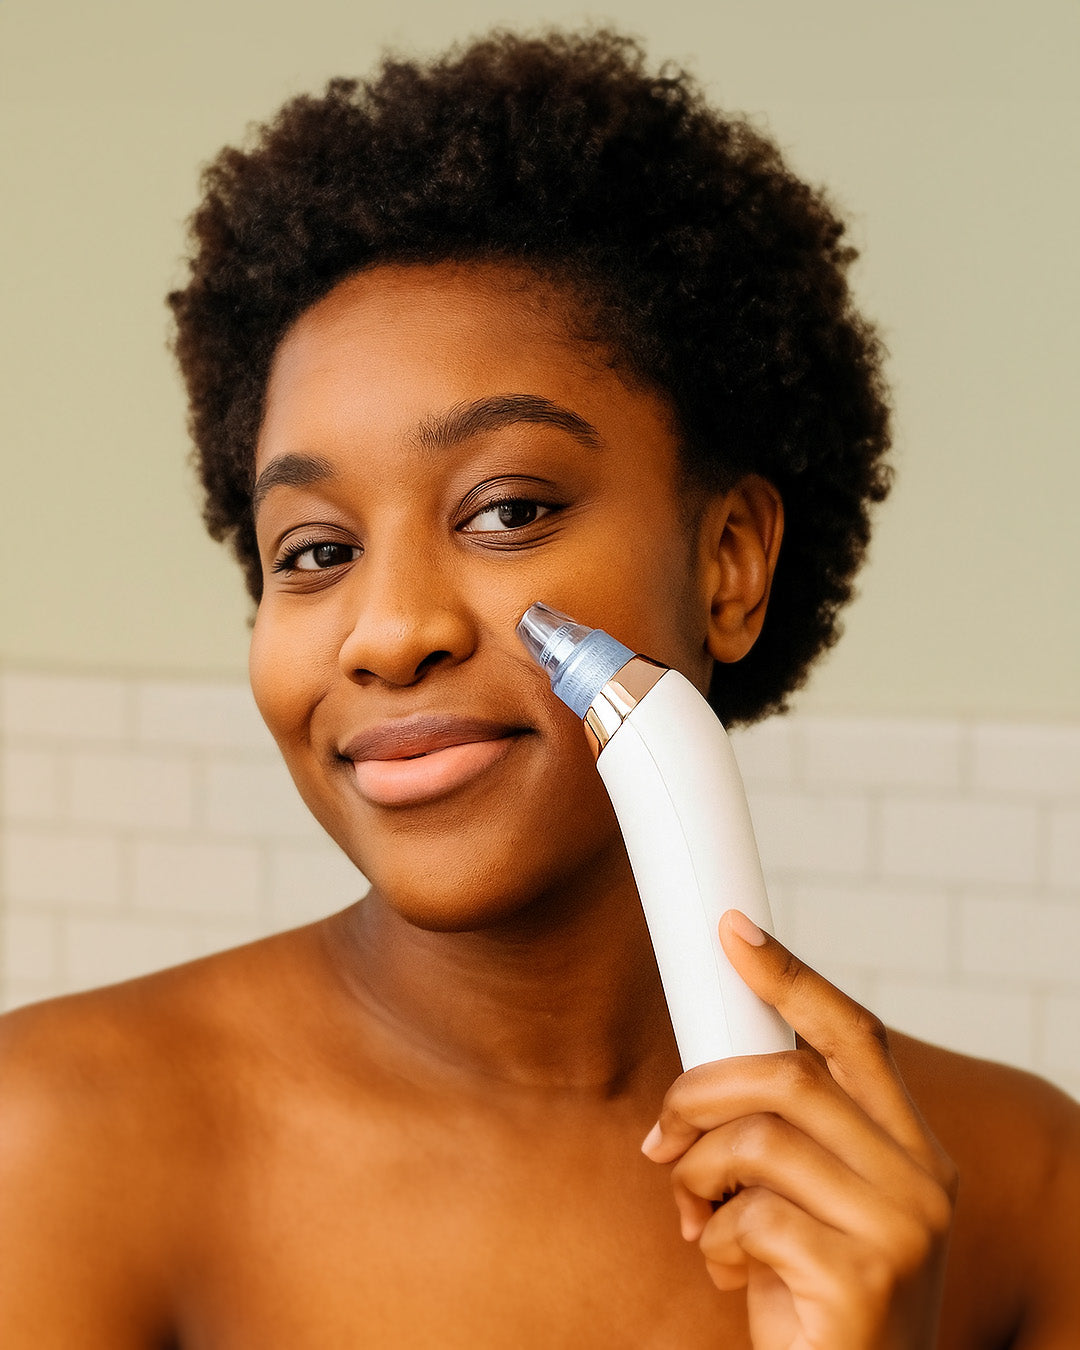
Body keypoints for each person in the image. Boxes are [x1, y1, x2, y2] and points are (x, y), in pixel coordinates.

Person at [1, 28, 1077, 1348]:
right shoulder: (51, 1144)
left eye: (508, 509)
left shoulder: (1027, 1190)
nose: (388, 631)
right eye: (317, 551)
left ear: (729, 561)